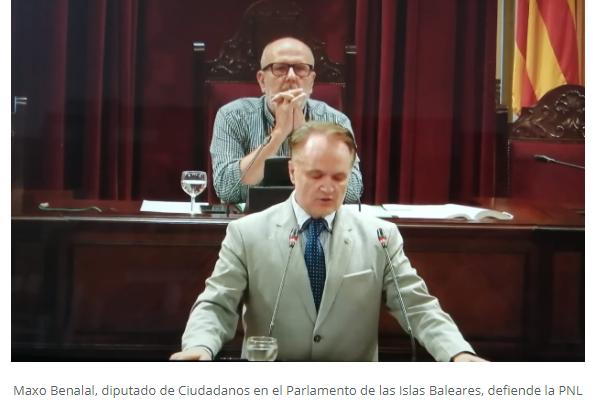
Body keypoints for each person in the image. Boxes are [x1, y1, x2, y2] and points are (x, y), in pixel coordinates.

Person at [171, 121, 485, 362]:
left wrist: (458, 353)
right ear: (292, 171)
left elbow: (418, 307)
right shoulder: (247, 233)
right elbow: (217, 304)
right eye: (316, 175)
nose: (328, 187)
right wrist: (200, 346)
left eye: (338, 177)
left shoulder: (380, 236)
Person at [209, 36, 363, 203]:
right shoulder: (232, 116)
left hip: (315, 216)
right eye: (280, 68)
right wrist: (278, 134)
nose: (291, 77)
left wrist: (304, 135)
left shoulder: (335, 120)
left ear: (311, 81)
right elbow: (227, 190)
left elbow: (352, 192)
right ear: (262, 80)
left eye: (300, 68)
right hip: (253, 217)